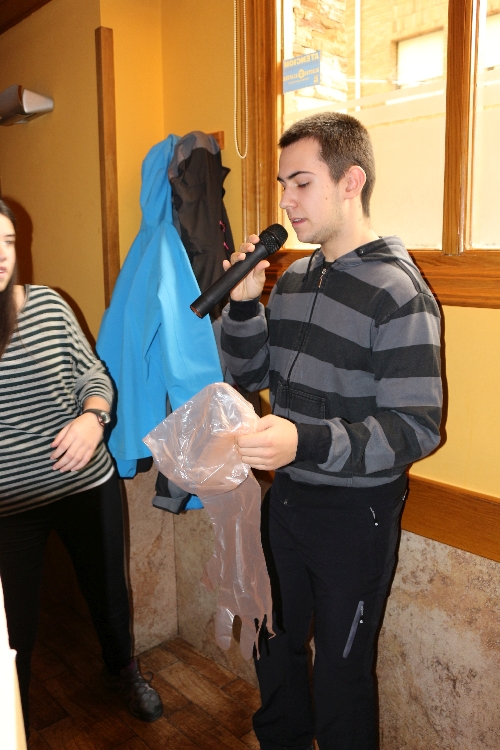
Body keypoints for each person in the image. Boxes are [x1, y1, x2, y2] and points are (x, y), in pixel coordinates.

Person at [220, 113, 442, 750]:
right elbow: (248, 374)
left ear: (351, 182)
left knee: (342, 677)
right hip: (286, 500)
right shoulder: (294, 279)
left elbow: (417, 427)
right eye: (282, 185)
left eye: (301, 183)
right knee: (274, 646)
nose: (287, 202)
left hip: (355, 516)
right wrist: (244, 304)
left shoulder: (398, 293)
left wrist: (305, 440)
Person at [0, 200, 163, 737]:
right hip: (10, 506)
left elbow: (93, 372)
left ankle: (123, 671)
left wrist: (95, 417)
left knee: (108, 594)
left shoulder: (48, 305)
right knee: (14, 625)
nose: (2, 255)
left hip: (86, 485)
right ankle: (13, 719)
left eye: (8, 241)